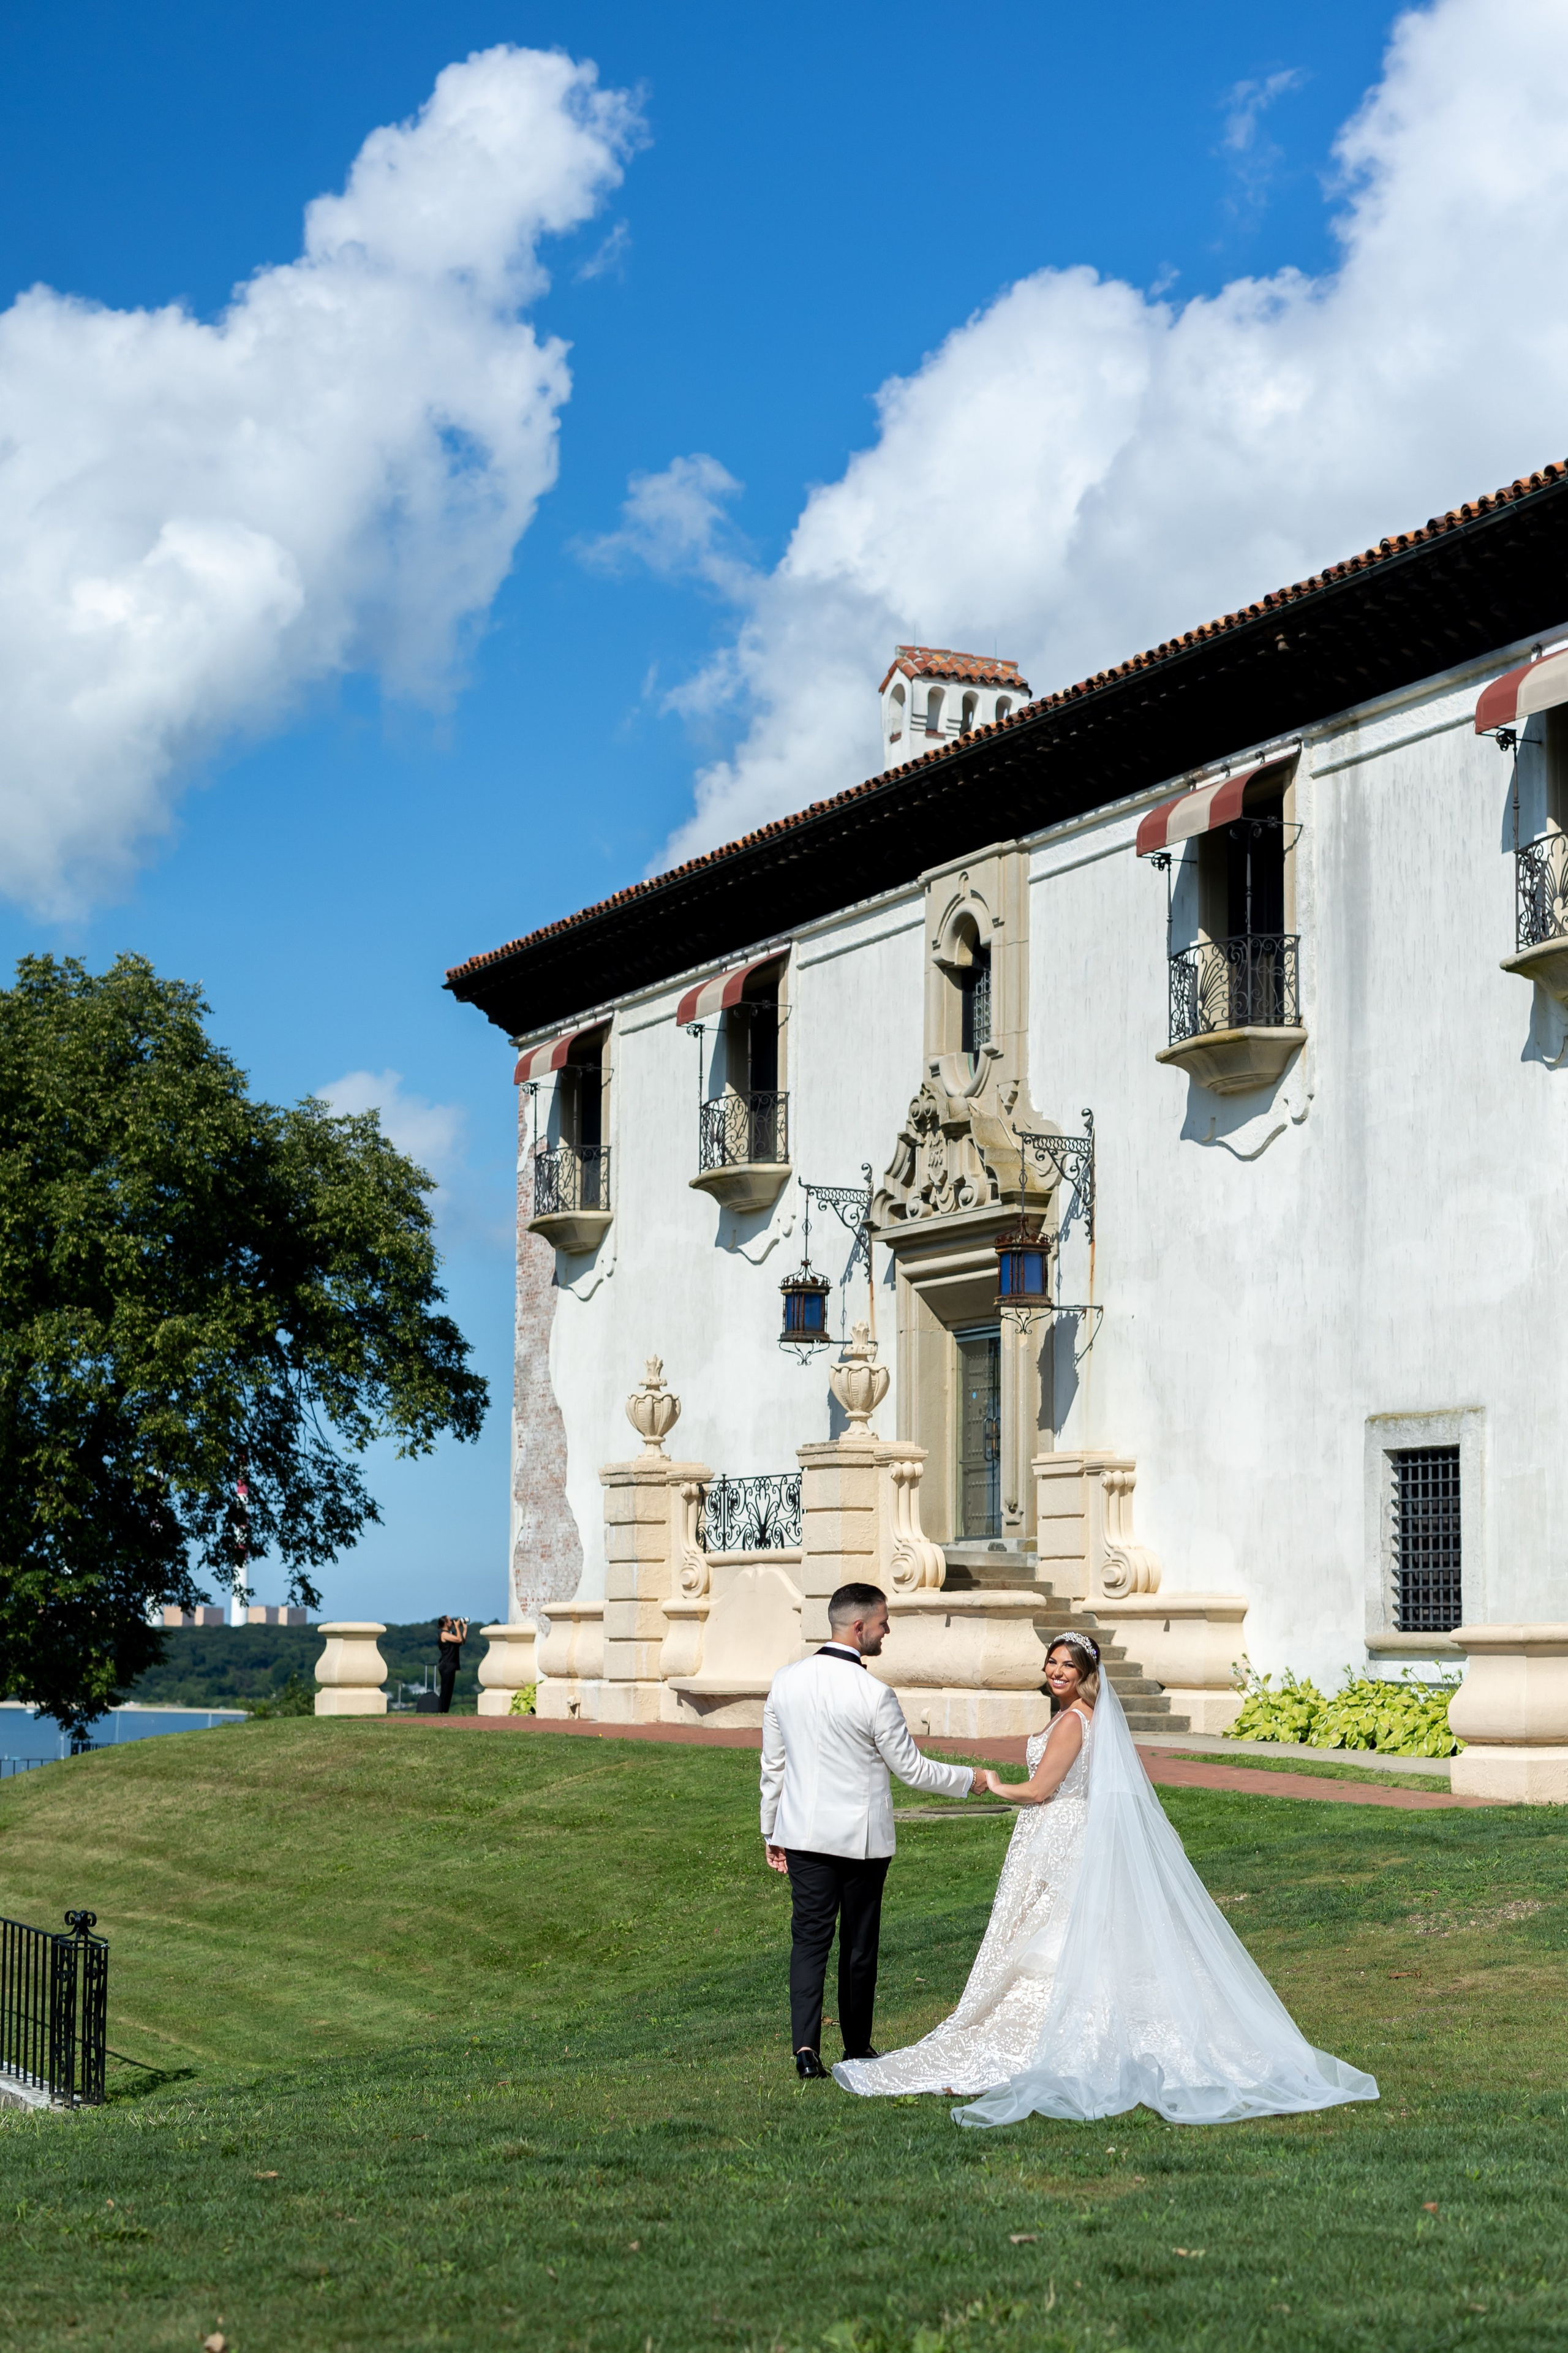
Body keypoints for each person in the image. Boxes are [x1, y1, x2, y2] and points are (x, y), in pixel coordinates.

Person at [835, 1634, 1379, 2128]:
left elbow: (1042, 1788)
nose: (1056, 1671)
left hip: (1061, 1832)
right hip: (1060, 1834)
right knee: (1063, 1931)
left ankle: (1051, 2043)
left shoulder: (1075, 1721)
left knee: (1056, 1934)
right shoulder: (1078, 1715)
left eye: (1067, 1665)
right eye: (1051, 1662)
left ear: (1086, 1673)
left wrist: (993, 1783)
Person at [761, 1582, 989, 2080]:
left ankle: (804, 2049)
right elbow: (911, 1769)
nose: (888, 1631)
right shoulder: (875, 1693)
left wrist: (770, 1827)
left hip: (801, 1834)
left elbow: (773, 1765)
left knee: (809, 1941)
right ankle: (858, 2046)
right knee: (859, 1945)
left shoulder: (785, 1681)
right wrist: (969, 1780)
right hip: (861, 1842)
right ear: (859, 1627)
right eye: (884, 1622)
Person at [436, 1615, 468, 1714]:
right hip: (446, 1666)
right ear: (446, 1623)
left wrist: (465, 1630)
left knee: (449, 1691)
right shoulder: (444, 1634)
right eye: (450, 1621)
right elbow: (458, 1639)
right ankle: (441, 1711)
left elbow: (462, 1642)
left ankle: (445, 1711)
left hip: (451, 1665)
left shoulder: (451, 1634)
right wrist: (458, 1627)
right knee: (445, 1691)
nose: (452, 1622)